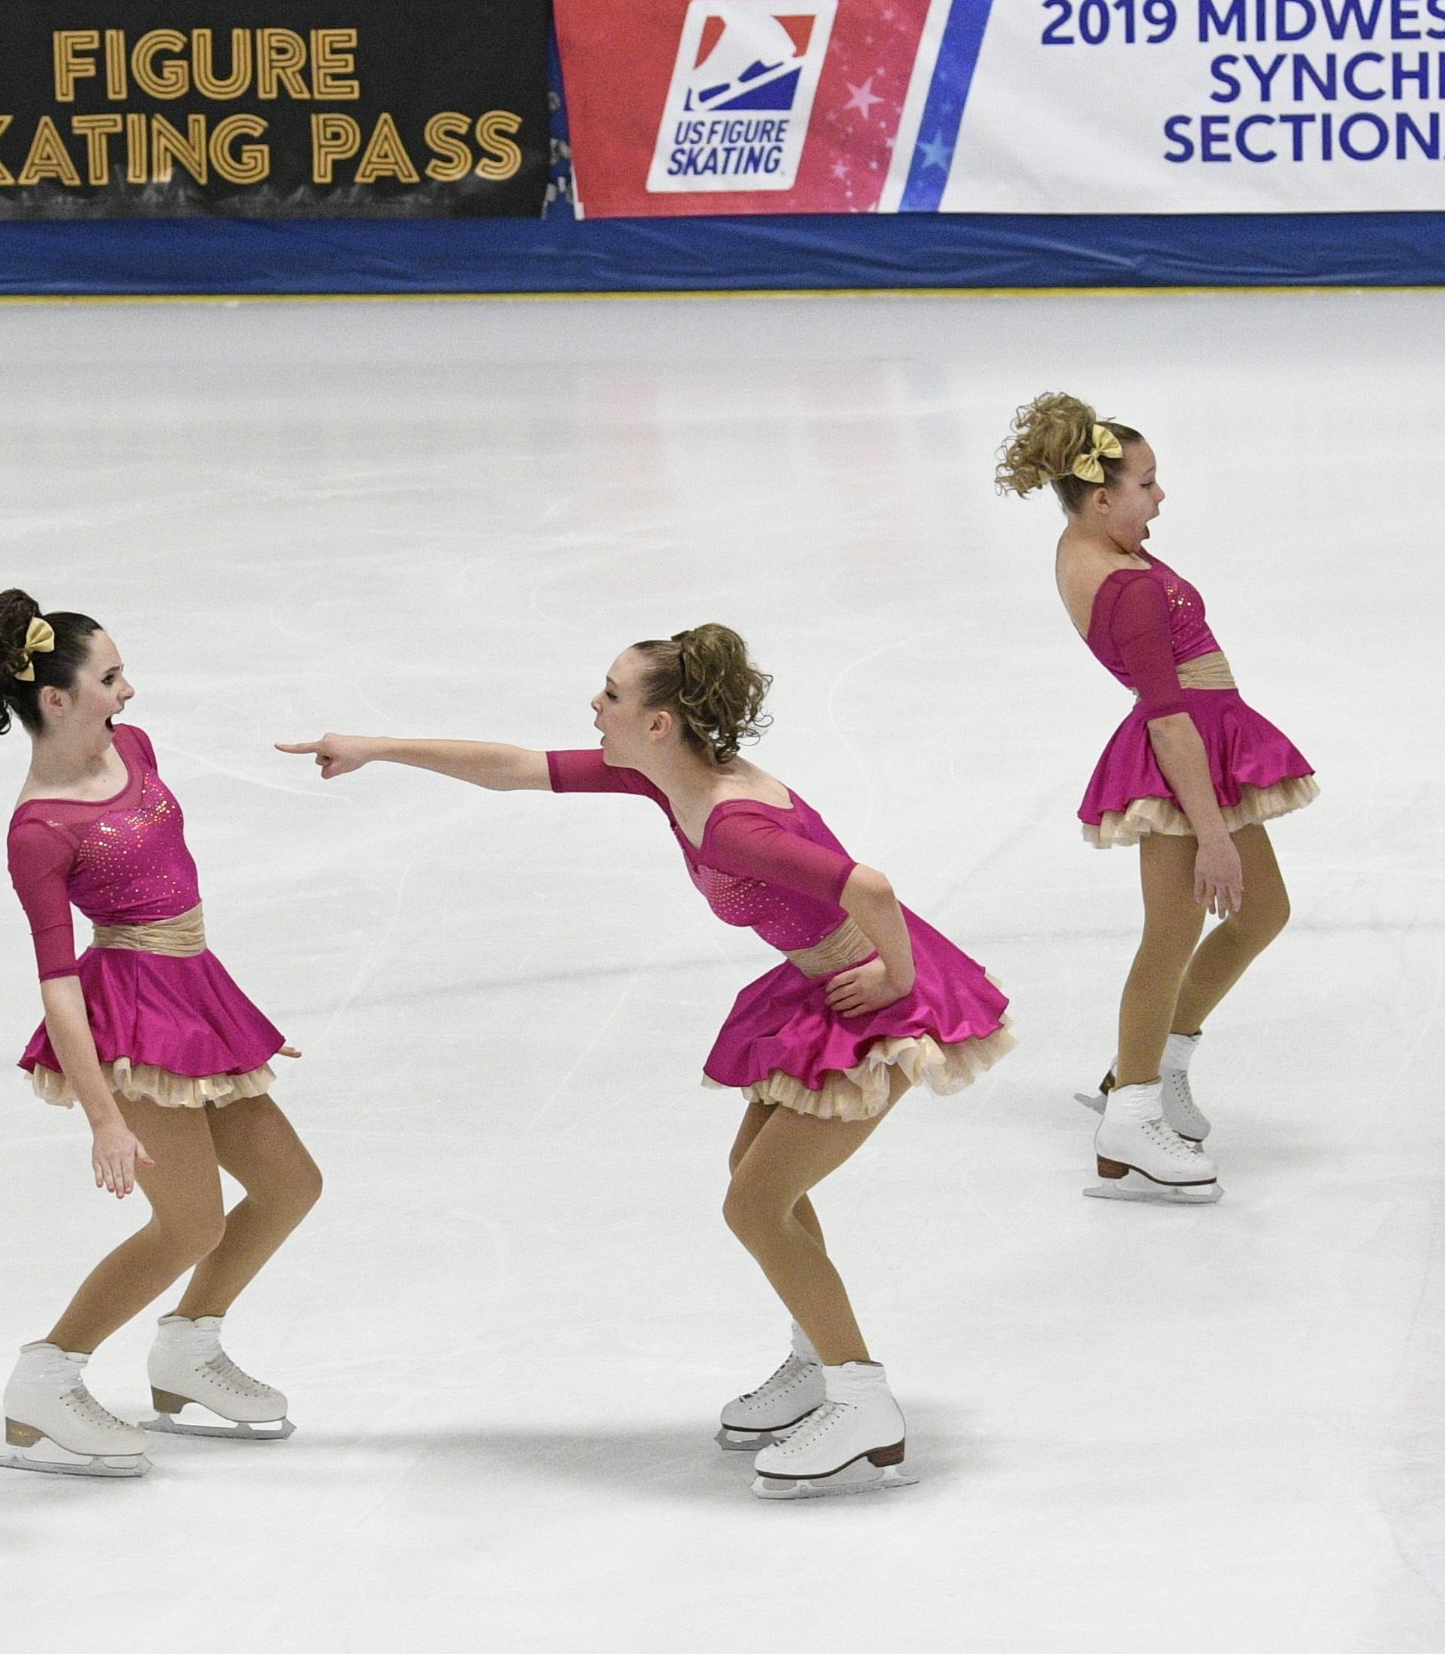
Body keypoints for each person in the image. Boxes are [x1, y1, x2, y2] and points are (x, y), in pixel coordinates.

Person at [279, 629, 1012, 1500]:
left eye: (613, 695)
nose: (596, 705)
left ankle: (863, 1404)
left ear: (661, 723)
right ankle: (817, 1362)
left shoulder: (734, 823)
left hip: (884, 1004)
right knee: (760, 1182)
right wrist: (378, 748)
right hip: (825, 986)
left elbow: (872, 888)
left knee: (756, 1203)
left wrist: (893, 977)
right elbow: (515, 767)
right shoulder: (667, 782)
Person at [0, 598, 318, 1482]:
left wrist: (223, 1009)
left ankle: (188, 1349)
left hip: (195, 991)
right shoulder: (39, 830)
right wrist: (103, 1119)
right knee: (190, 1221)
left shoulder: (136, 747)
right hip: (132, 1015)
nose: (129, 689)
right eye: (109, 678)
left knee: (289, 1185)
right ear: (54, 699)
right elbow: (55, 982)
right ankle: (49, 1372)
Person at [995, 397, 1310, 1205]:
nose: (1159, 497)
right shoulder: (1123, 584)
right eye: (1146, 482)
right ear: (1101, 498)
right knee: (1171, 936)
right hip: (1184, 756)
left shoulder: (1085, 545)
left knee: (1260, 912)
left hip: (1207, 742)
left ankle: (1149, 1070)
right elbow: (1167, 718)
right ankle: (1128, 1126)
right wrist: (1212, 834)